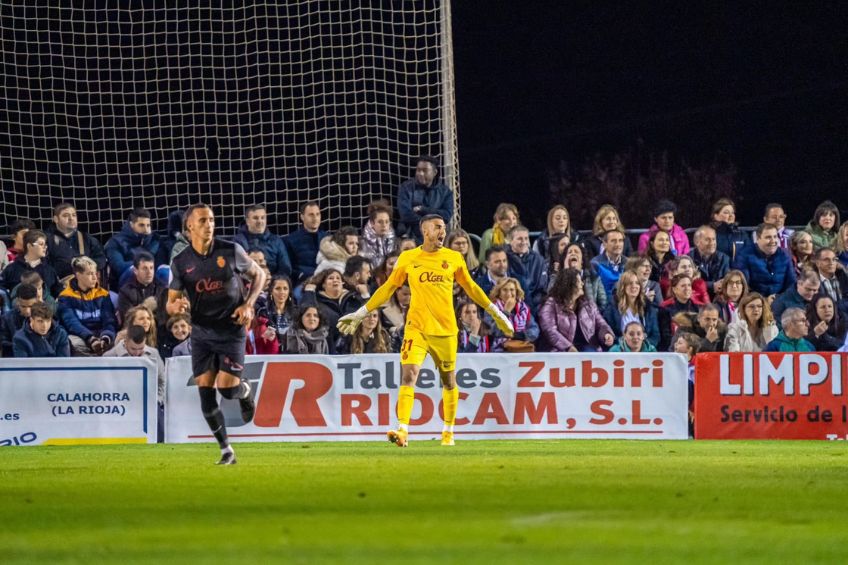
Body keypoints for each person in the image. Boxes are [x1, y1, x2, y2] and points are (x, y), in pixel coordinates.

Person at [336, 214, 514, 448]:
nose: (443, 231)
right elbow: (388, 288)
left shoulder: (453, 258)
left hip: (446, 330)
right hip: (416, 328)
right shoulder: (409, 258)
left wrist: (496, 313)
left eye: (444, 228)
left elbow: (471, 288)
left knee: (449, 381)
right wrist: (360, 313)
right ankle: (402, 430)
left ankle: (448, 432)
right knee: (409, 375)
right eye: (438, 227)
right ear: (425, 230)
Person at [166, 203, 267, 465]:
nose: (209, 224)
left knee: (227, 389)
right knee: (205, 391)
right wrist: (175, 306)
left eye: (211, 219)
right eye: (202, 221)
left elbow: (259, 275)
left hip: (231, 330)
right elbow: (170, 302)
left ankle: (244, 392)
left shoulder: (230, 250)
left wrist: (248, 304)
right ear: (189, 227)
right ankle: (226, 451)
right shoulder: (180, 262)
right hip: (201, 333)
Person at [539, 267, 615, 352]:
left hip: (587, 347)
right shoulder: (551, 304)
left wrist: (606, 334)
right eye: (579, 281)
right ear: (569, 284)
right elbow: (550, 330)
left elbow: (601, 324)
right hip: (561, 350)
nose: (582, 284)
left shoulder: (589, 304)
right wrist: (568, 347)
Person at [58, 256, 118, 356]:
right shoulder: (65, 297)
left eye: (95, 273)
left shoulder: (103, 294)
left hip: (101, 334)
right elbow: (72, 323)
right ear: (78, 275)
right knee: (76, 345)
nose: (95, 277)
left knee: (118, 341)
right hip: (80, 335)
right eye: (90, 274)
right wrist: (90, 338)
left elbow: (109, 319)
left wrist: (106, 337)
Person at [104, 207, 166, 289]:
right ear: (131, 225)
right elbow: (119, 267)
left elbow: (160, 265)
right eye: (141, 225)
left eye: (148, 225)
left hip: (152, 281)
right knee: (133, 270)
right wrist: (143, 266)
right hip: (125, 283)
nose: (146, 229)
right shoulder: (116, 242)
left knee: (165, 272)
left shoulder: (155, 241)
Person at [396, 156, 454, 242]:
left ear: (434, 172)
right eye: (418, 170)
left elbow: (446, 215)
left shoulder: (446, 192)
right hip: (410, 238)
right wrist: (428, 224)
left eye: (425, 170)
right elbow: (405, 214)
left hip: (437, 238)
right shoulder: (406, 188)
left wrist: (423, 209)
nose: (420, 173)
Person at [45, 202, 107, 281]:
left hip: (86, 284)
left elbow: (101, 258)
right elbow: (44, 265)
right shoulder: (46, 239)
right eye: (66, 216)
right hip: (58, 286)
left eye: (74, 215)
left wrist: (88, 266)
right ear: (56, 219)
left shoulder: (87, 238)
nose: (71, 218)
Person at [733, 223, 796, 299]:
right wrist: (763, 300)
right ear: (758, 238)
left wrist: (779, 299)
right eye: (768, 237)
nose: (773, 241)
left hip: (780, 299)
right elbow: (744, 285)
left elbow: (791, 283)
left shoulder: (784, 255)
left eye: (775, 237)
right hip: (754, 300)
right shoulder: (744, 255)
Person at [232, 204, 292, 278]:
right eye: (255, 218)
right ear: (247, 221)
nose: (260, 221)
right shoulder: (237, 241)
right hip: (246, 283)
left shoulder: (276, 241)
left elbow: (285, 269)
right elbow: (233, 268)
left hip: (271, 284)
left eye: (263, 218)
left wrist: (271, 280)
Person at [603, 270, 660, 348]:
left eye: (637, 283)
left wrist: (642, 347)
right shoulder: (612, 307)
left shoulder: (648, 307)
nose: (634, 286)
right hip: (620, 350)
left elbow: (655, 335)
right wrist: (626, 346)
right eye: (630, 283)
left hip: (645, 350)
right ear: (623, 286)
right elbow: (610, 334)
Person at [1, 229, 62, 298]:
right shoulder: (12, 269)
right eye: (41, 244)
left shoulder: (49, 270)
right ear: (29, 246)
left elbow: (58, 292)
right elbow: (2, 289)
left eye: (45, 244)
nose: (45, 247)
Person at [484, 277, 539, 351]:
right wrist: (506, 312)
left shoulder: (524, 308)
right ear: (499, 293)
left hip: (521, 348)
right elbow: (493, 331)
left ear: (516, 292)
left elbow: (535, 329)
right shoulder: (491, 309)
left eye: (512, 290)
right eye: (505, 290)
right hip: (499, 351)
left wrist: (520, 335)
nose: (509, 294)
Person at [301, 268, 360, 336]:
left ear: (343, 283)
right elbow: (305, 313)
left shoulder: (353, 299)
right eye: (331, 278)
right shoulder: (317, 303)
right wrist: (309, 292)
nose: (335, 280)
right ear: (323, 285)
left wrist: (365, 296)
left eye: (338, 278)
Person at [116, 251, 167, 326]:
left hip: (158, 331)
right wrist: (145, 306)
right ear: (135, 271)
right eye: (145, 268)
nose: (149, 272)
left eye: (151, 268)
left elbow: (164, 318)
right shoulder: (125, 291)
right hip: (135, 332)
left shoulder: (162, 288)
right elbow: (127, 320)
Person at [505, 225, 547, 312]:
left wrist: (531, 308)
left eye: (526, 238)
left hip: (534, 307)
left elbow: (541, 288)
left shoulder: (538, 259)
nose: (524, 242)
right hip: (511, 304)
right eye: (520, 239)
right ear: (510, 241)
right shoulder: (504, 258)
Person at [283, 201, 326, 285]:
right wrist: (301, 275)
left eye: (318, 214)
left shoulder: (328, 238)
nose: (315, 218)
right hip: (303, 283)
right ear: (302, 217)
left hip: (326, 282)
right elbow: (288, 267)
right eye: (311, 215)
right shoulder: (290, 240)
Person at [557, 242, 606, 309]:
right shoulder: (557, 277)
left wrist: (593, 315)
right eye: (570, 252)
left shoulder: (594, 278)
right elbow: (554, 300)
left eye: (576, 252)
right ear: (565, 259)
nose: (573, 253)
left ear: (582, 260)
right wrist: (566, 271)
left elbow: (603, 304)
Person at [658, 274, 700, 350]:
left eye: (689, 285)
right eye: (683, 286)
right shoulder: (665, 308)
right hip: (673, 348)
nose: (687, 288)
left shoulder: (698, 307)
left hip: (693, 348)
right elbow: (665, 335)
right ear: (674, 289)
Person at [256, 275, 297, 346]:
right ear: (271, 291)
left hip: (293, 352)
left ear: (289, 291)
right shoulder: (263, 312)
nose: (282, 292)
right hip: (270, 352)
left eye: (285, 288)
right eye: (278, 288)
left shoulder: (297, 312)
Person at [0, 283, 39, 357]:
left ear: (37, 300)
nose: (27, 311)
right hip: (15, 360)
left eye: (31, 306)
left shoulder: (46, 317)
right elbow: (4, 342)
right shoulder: (6, 319)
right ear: (17, 301)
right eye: (23, 306)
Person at [691, 225, 730, 297]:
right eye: (707, 240)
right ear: (697, 242)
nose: (712, 243)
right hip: (696, 297)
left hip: (718, 297)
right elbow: (690, 283)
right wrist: (711, 285)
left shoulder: (724, 258)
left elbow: (727, 279)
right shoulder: (688, 259)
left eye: (713, 239)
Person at [359, 200, 397, 269]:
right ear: (372, 223)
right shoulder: (362, 243)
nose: (384, 225)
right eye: (380, 222)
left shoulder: (395, 241)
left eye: (387, 222)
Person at [590, 229, 627, 300]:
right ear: (604, 244)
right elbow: (594, 293)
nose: (618, 244)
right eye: (613, 241)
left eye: (620, 240)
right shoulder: (595, 264)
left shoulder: (628, 263)